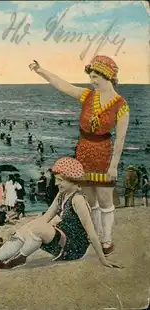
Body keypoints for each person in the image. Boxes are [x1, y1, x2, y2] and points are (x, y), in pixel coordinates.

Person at [29, 55, 130, 256]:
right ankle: (95, 235)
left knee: (105, 200)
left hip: (103, 154)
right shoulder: (87, 96)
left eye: (94, 77)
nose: (91, 81)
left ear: (107, 76)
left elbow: (120, 140)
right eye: (91, 76)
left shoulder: (121, 106)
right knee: (89, 200)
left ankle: (107, 240)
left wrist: (113, 165)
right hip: (83, 153)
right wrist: (41, 71)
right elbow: (63, 85)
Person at [0, 157, 122, 276]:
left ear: (71, 180)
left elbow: (91, 233)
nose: (56, 184)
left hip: (74, 249)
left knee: (37, 227)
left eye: (60, 181)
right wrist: (23, 231)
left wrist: (103, 259)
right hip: (61, 239)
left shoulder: (78, 199)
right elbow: (46, 217)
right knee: (31, 225)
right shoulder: (62, 194)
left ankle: (20, 258)